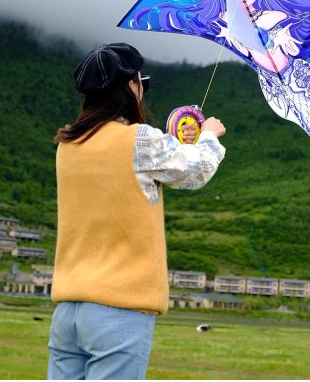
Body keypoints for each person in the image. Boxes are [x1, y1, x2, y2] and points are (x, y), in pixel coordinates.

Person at [47, 42, 226, 380]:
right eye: (141, 83)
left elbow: (135, 161)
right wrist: (209, 136)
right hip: (119, 307)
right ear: (131, 86)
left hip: (68, 309)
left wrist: (178, 139)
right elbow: (195, 170)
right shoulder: (138, 139)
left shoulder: (67, 146)